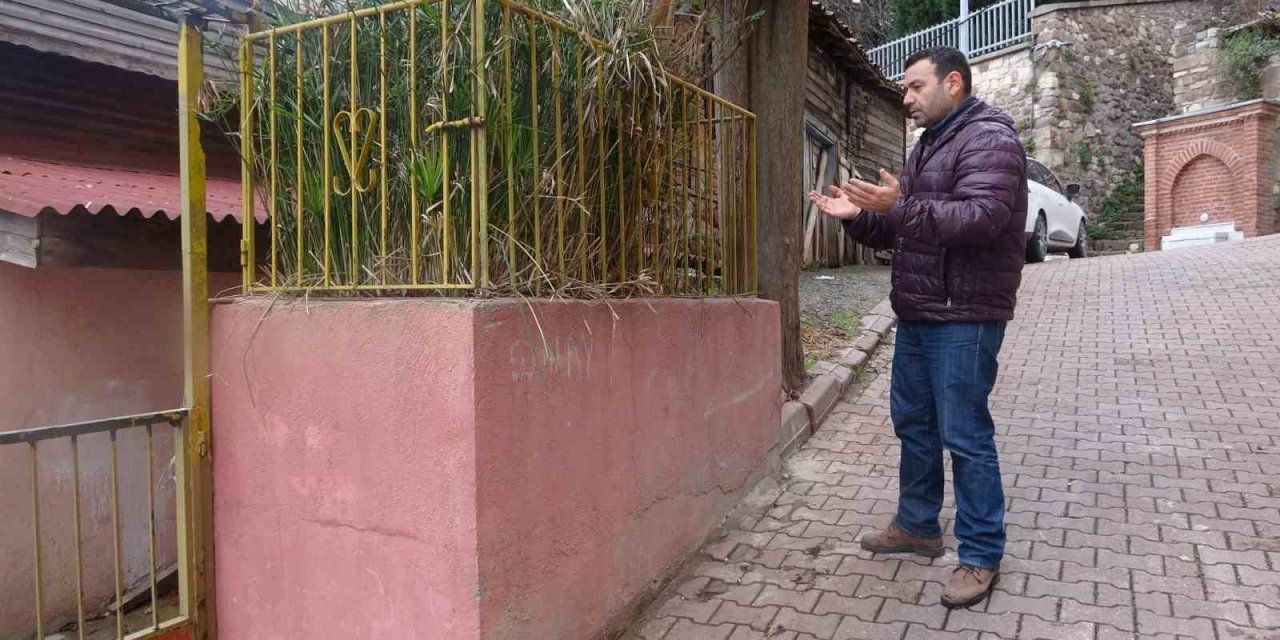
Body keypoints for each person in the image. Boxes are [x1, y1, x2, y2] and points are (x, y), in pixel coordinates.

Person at [808, 46, 1027, 609]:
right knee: (915, 425)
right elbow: (903, 228)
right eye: (904, 89)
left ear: (953, 83)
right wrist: (860, 217)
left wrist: (899, 207)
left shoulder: (989, 139)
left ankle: (981, 553)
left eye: (914, 86)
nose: (905, 98)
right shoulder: (929, 144)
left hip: (964, 314)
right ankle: (917, 525)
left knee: (965, 435)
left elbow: (981, 219)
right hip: (919, 309)